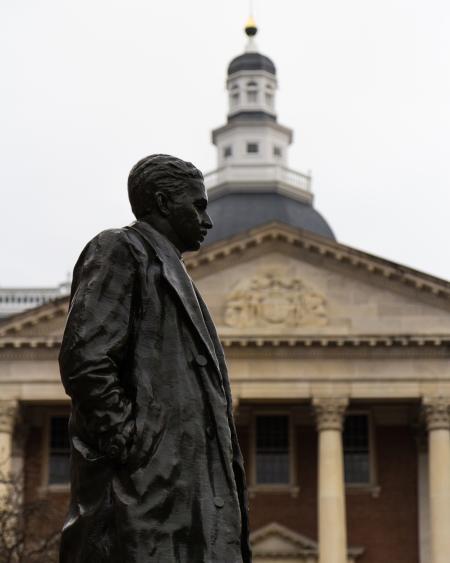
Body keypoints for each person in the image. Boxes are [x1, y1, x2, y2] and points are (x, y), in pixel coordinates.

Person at [59, 154, 251, 562]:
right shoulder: (120, 249)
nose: (208, 220)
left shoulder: (178, 274)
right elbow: (86, 357)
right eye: (198, 205)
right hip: (145, 491)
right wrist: (134, 446)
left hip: (186, 494)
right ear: (164, 203)